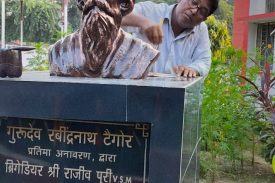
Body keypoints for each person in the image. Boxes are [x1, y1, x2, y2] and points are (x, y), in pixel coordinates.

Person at [122, 0, 219, 77]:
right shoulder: (150, 11)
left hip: (172, 96)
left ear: (204, 19)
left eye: (202, 11)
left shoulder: (201, 30)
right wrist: (143, 22)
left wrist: (193, 69)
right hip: (138, 90)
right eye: (194, 2)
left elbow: (204, 60)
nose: (194, 11)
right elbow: (113, 16)